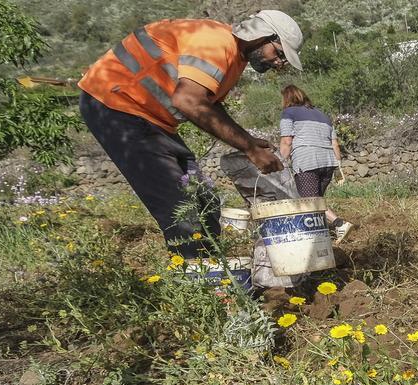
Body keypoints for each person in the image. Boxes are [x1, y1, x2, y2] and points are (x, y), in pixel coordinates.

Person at [78, 11, 305, 257]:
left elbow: (208, 103)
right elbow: (188, 101)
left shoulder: (234, 57)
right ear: (263, 36)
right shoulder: (214, 42)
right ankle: (198, 282)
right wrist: (249, 149)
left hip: (151, 119)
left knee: (204, 199)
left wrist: (248, 141)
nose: (278, 63)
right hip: (116, 106)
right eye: (279, 53)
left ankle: (210, 269)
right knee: (181, 208)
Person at [278, 85, 352, 243]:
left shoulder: (288, 113)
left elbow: (286, 141)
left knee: (310, 201)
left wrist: (279, 163)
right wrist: (338, 167)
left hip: (307, 161)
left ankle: (340, 224)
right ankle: (319, 235)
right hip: (328, 162)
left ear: (287, 98)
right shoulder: (322, 115)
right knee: (315, 202)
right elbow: (335, 144)